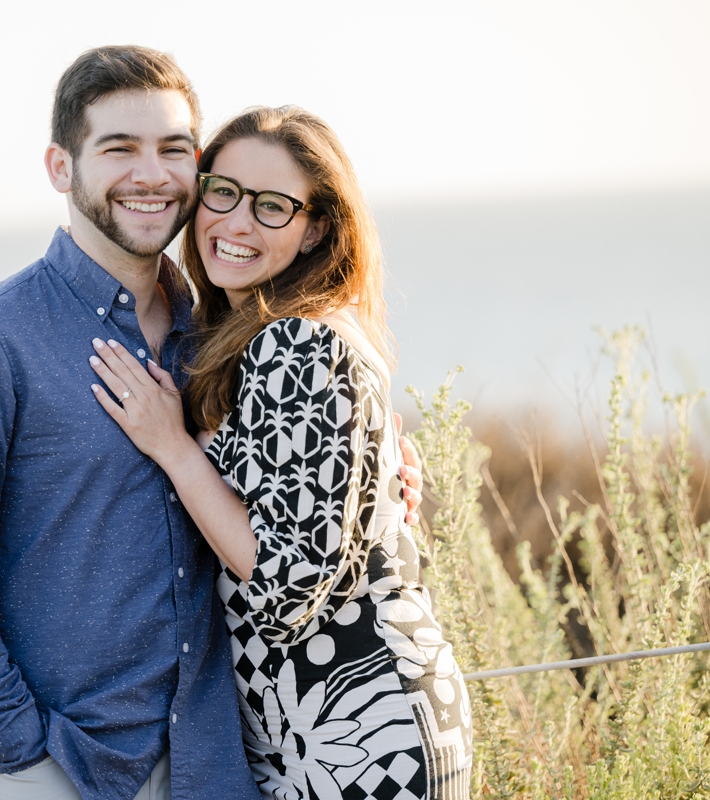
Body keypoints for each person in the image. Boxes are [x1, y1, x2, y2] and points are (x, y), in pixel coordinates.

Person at [0, 47, 424, 800]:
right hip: (56, 763)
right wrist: (15, 754)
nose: (152, 174)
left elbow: (295, 507)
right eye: (119, 148)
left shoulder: (215, 343)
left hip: (215, 763)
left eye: (175, 150)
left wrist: (380, 472)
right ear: (60, 167)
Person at [87, 106, 474, 799]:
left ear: (316, 227)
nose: (235, 223)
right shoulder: (263, 335)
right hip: (335, 723)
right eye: (223, 191)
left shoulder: (296, 343)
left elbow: (286, 586)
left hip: (355, 730)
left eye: (272, 207)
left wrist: (174, 447)